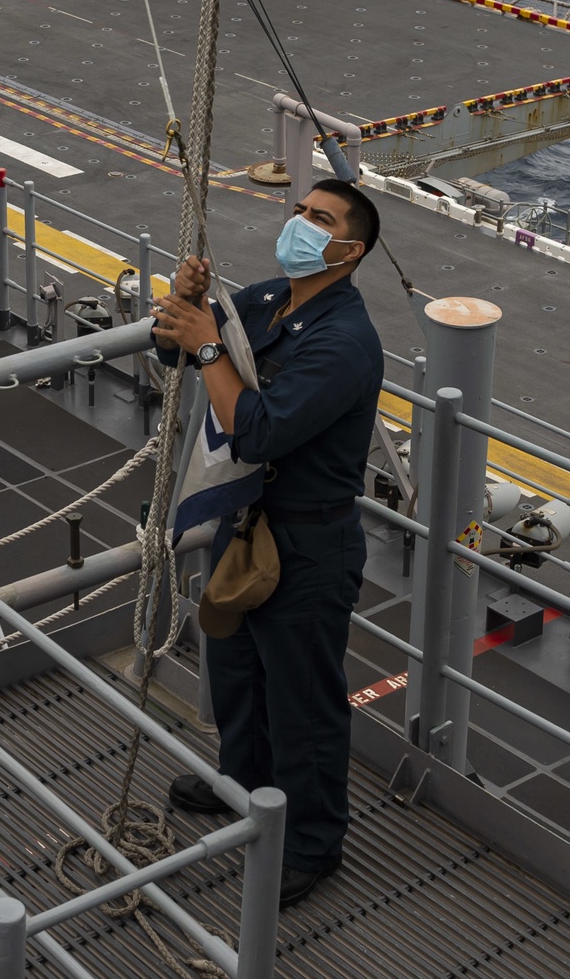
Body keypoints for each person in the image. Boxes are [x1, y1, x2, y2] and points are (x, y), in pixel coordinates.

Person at [151, 178, 383, 908]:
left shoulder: (346, 343)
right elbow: (179, 354)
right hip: (248, 523)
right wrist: (187, 306)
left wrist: (207, 338)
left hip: (309, 545)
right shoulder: (262, 302)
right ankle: (244, 786)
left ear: (351, 251)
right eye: (300, 210)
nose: (300, 224)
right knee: (237, 668)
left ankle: (313, 842)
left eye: (320, 218)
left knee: (302, 700)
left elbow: (256, 428)